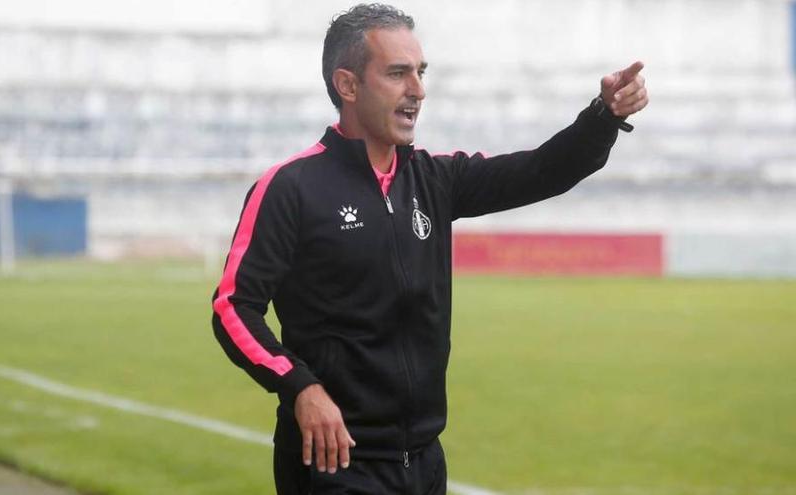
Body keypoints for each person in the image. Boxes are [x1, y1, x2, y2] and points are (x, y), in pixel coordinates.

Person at [211, 4, 648, 494]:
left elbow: (543, 170)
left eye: (420, 73)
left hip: (422, 462)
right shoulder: (289, 187)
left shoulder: (435, 179)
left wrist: (603, 117)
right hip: (334, 462)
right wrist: (300, 387)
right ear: (348, 85)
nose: (417, 90)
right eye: (397, 73)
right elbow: (233, 307)